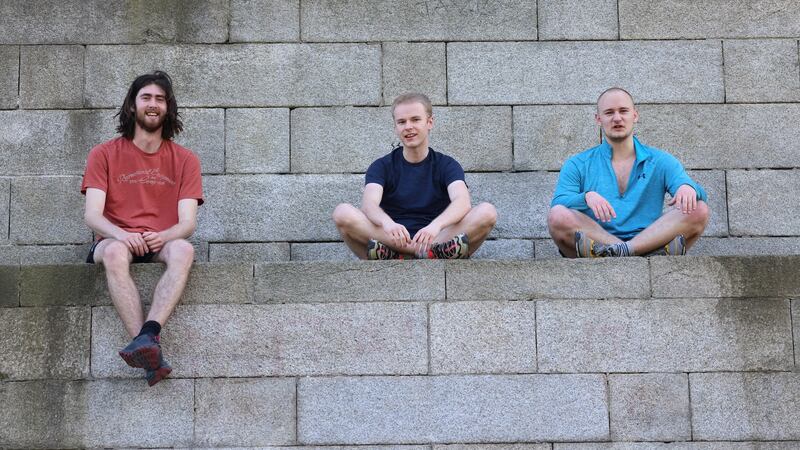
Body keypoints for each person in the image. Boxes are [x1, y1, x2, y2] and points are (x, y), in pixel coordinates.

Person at [81, 71, 203, 386]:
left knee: (184, 249)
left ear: (167, 107)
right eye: (146, 97)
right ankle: (145, 342)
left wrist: (162, 236)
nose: (153, 104)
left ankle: (148, 336)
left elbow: (187, 223)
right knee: (116, 252)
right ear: (132, 106)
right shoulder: (104, 153)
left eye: (160, 99)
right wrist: (122, 234)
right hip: (114, 239)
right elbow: (92, 216)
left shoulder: (186, 160)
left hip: (159, 240)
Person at [548, 87, 709, 257]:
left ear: (635, 115)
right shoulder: (577, 164)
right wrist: (586, 196)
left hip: (649, 238)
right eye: (609, 112)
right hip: (596, 243)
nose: (617, 118)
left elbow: (698, 195)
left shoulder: (660, 160)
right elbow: (559, 202)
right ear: (598, 119)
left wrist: (688, 187)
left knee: (700, 209)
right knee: (557, 215)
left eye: (623, 111)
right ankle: (629, 251)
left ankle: (627, 250)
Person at [333, 93, 497, 260]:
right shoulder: (381, 166)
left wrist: (435, 226)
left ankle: (404, 255)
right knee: (342, 213)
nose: (408, 127)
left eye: (415, 119)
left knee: (487, 212)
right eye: (401, 122)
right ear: (395, 127)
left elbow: (462, 202)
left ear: (430, 122)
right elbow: (369, 205)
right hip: (391, 239)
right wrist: (387, 223)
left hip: (437, 238)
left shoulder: (446, 165)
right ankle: (425, 253)